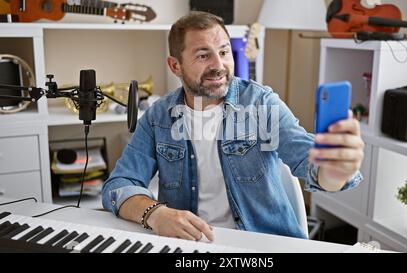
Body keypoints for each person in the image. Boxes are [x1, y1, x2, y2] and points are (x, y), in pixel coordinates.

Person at [102, 11, 364, 242]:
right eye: (203, 55)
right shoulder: (158, 116)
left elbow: (310, 163)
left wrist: (336, 172)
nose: (219, 65)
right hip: (193, 243)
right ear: (175, 66)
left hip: (262, 244)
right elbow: (118, 185)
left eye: (224, 52)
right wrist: (156, 215)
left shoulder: (262, 104)